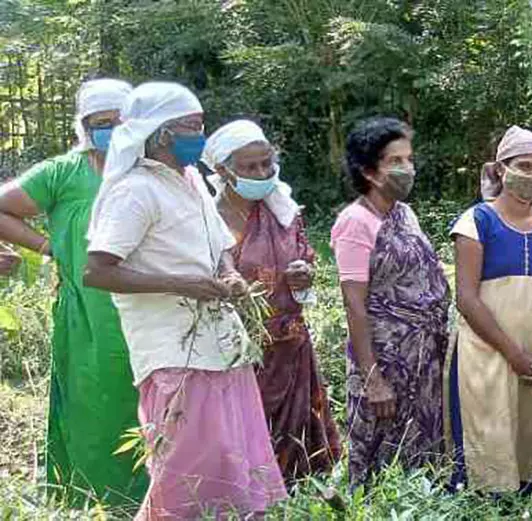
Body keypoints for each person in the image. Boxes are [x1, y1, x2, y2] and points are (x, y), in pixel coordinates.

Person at [84, 82, 285, 518]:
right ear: (159, 134)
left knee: (233, 455)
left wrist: (228, 274)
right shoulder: (133, 191)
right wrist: (181, 283)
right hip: (173, 348)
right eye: (190, 128)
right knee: (184, 469)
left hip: (222, 344)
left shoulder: (189, 179)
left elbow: (219, 248)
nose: (199, 136)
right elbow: (97, 271)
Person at [0, 78, 148, 506]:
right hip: (90, 311)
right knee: (95, 402)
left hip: (153, 300)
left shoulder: (150, 167)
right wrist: (50, 247)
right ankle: (95, 500)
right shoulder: (65, 172)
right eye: (100, 123)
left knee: (156, 400)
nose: (111, 130)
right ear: (84, 127)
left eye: (119, 121)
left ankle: (162, 500)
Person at [203, 120, 341, 484]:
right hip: (233, 350)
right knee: (241, 431)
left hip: (289, 344)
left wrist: (303, 275)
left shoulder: (283, 212)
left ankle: (296, 489)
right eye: (250, 167)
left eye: (267, 164)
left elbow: (306, 263)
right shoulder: (205, 217)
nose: (263, 173)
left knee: (296, 444)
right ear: (223, 171)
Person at [331, 117, 450, 487]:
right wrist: (373, 380)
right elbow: (355, 304)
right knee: (382, 453)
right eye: (394, 162)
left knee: (423, 450)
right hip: (385, 359)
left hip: (423, 357)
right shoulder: (355, 222)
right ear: (369, 170)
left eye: (408, 160)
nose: (406, 169)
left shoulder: (404, 214)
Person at [446, 126, 532, 496]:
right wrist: (512, 352)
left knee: (527, 433)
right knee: (487, 432)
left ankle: (521, 505)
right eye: (524, 166)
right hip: (486, 351)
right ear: (500, 169)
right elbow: (467, 298)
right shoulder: (477, 221)